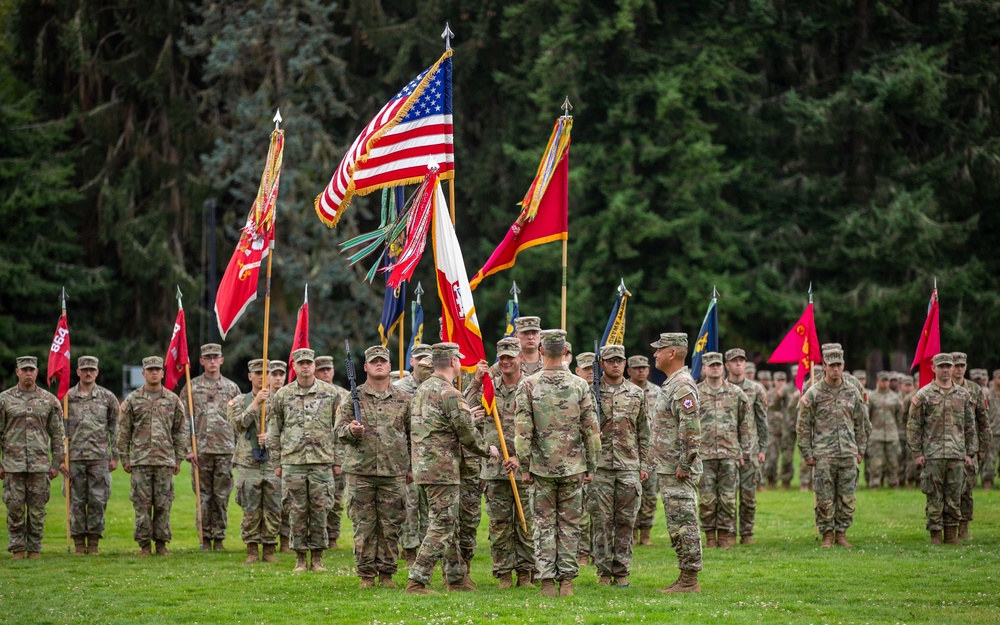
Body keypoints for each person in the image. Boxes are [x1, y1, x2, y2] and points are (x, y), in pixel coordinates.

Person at [406, 343, 498, 595]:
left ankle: (456, 578)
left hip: (426, 468)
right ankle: (417, 580)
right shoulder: (450, 394)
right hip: (442, 469)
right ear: (454, 361)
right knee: (442, 525)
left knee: (446, 523)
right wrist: (487, 449)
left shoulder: (423, 389)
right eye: (459, 359)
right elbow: (465, 431)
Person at [515, 330, 600, 598]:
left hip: (541, 468)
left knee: (544, 526)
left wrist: (525, 465)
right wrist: (592, 465)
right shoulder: (579, 385)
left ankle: (548, 583)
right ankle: (567, 583)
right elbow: (591, 430)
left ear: (541, 351)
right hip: (574, 467)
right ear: (565, 352)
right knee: (570, 526)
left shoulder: (528, 384)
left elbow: (522, 430)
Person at [335, 346, 411, 589]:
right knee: (364, 526)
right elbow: (338, 431)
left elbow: (413, 435)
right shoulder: (352, 397)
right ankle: (366, 575)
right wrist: (351, 430)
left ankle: (387, 574)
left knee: (391, 525)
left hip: (393, 471)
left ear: (390, 367)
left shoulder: (403, 399)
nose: (379, 364)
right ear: (365, 367)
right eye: (373, 361)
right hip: (361, 471)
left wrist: (411, 468)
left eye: (383, 361)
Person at [463, 337, 536, 588]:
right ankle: (504, 573)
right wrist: (475, 379)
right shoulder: (487, 387)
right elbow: (464, 407)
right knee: (500, 524)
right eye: (501, 357)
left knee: (526, 521)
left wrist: (523, 459)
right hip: (495, 467)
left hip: (524, 466)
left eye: (510, 357)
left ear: (521, 358)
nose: (505, 361)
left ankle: (525, 573)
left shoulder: (531, 386)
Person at [266, 348, 341, 572]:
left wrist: (338, 460)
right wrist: (276, 462)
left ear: (314, 366)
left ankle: (317, 558)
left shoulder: (331, 393)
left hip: (321, 461)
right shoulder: (283, 395)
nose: (306, 366)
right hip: (293, 462)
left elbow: (338, 430)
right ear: (295, 367)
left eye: (309, 362)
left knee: (320, 510)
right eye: (301, 363)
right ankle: (299, 558)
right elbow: (273, 430)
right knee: (296, 511)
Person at [589, 344, 650, 586]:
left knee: (626, 521)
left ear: (625, 364)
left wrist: (644, 464)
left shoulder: (636, 393)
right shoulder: (591, 392)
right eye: (610, 360)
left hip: (628, 466)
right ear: (601, 363)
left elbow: (644, 432)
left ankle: (622, 570)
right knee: (601, 521)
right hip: (600, 467)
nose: (616, 364)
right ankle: (604, 572)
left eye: (619, 360)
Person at [797, 347, 867, 548]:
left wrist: (860, 449)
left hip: (847, 452)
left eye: (839, 365)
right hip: (823, 455)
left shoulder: (852, 392)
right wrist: (807, 453)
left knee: (847, 497)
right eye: (831, 365)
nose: (836, 369)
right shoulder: (814, 393)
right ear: (824, 367)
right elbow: (802, 425)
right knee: (824, 497)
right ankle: (827, 533)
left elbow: (860, 424)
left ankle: (842, 533)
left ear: (843, 366)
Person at [116, 356, 186, 556]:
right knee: (142, 504)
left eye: (157, 369)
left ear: (162, 373)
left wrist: (178, 458)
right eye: (150, 369)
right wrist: (125, 458)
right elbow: (124, 432)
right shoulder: (132, 400)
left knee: (163, 504)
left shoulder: (173, 400)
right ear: (143, 373)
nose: (154, 372)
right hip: (140, 461)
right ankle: (145, 545)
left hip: (164, 461)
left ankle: (162, 544)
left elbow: (179, 431)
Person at [648, 332, 702, 593]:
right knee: (677, 524)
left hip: (677, 469)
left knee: (684, 524)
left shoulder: (682, 386)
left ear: (672, 353)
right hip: (669, 467)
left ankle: (690, 580)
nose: (655, 354)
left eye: (659, 349)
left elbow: (691, 429)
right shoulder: (672, 384)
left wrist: (685, 464)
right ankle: (685, 577)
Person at [907, 353, 976, 545]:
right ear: (934, 368)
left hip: (956, 454)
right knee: (934, 496)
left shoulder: (963, 395)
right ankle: (936, 534)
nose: (946, 370)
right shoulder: (924, 394)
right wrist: (917, 453)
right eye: (942, 366)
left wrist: (970, 453)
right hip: (933, 455)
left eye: (949, 366)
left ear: (953, 368)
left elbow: (970, 427)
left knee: (955, 495)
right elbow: (913, 426)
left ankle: (952, 534)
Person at [1, 356, 66, 559]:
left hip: (40, 466)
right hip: (13, 465)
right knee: (14, 508)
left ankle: (35, 548)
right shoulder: (4, 399)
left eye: (32, 369)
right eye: (24, 369)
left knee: (37, 510)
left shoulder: (49, 400)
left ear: (37, 372)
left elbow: (57, 434)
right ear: (17, 372)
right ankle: (18, 549)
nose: (28, 373)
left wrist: (56, 463)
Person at [179, 343, 241, 551]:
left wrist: (238, 450)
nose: (212, 361)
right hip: (201, 450)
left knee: (221, 497)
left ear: (222, 360)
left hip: (225, 450)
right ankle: (205, 538)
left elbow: (238, 422)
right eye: (208, 357)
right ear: (202, 361)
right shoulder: (191, 387)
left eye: (216, 357)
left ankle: (219, 538)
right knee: (203, 497)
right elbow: (184, 421)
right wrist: (188, 448)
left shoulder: (232, 388)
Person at [228, 359, 284, 564]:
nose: (262, 376)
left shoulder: (280, 401)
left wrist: (269, 436)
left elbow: (287, 428)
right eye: (257, 372)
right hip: (247, 462)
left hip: (271, 463)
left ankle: (269, 548)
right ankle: (251, 549)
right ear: (250, 376)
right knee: (250, 507)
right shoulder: (239, 401)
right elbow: (238, 424)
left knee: (272, 507)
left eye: (266, 372)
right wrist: (256, 403)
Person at [65, 355, 119, 555]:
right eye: (84, 369)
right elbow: (59, 430)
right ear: (78, 372)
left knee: (98, 500)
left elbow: (115, 428)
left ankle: (94, 543)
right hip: (75, 458)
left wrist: (116, 456)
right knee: (76, 501)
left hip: (99, 458)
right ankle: (79, 543)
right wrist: (61, 457)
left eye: (92, 370)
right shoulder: (67, 397)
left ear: (97, 372)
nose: (88, 373)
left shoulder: (107, 397)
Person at [697, 352, 751, 550]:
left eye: (718, 365)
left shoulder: (736, 394)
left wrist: (744, 452)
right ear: (703, 368)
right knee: (707, 498)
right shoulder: (695, 393)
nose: (715, 368)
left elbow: (744, 425)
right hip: (704, 455)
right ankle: (710, 536)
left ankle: (725, 536)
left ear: (723, 367)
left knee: (728, 498)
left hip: (729, 453)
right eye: (711, 365)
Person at [395, 344, 434, 566]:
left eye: (428, 359)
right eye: (420, 359)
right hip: (407, 457)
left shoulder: (437, 386)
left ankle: (427, 552)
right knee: (409, 507)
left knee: (429, 507)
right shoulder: (399, 388)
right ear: (412, 361)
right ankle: (409, 551)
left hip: (431, 457)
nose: (424, 363)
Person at [725, 348, 767, 545]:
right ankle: (729, 533)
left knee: (749, 496)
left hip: (750, 450)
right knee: (727, 496)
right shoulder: (721, 388)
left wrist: (763, 449)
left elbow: (762, 420)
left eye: (742, 360)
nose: (739, 364)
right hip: (727, 450)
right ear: (727, 365)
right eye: (734, 361)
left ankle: (747, 533)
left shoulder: (756, 389)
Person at [950, 352, 991, 540]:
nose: (959, 368)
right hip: (946, 446)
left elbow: (983, 420)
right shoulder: (941, 388)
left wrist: (982, 446)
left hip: (969, 448)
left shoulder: (974, 389)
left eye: (962, 365)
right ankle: (947, 527)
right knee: (947, 490)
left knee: (966, 490)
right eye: (955, 365)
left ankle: (963, 527)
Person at [315, 355, 349, 550]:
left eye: (328, 369)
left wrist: (339, 460)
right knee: (316, 501)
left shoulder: (343, 395)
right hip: (316, 455)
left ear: (334, 372)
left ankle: (333, 537)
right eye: (322, 369)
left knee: (335, 500)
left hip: (336, 456)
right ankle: (316, 537)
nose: (326, 373)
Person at [628, 354, 661, 546]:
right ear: (629, 370)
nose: (641, 371)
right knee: (630, 494)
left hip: (652, 452)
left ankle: (646, 532)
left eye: (644, 367)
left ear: (648, 370)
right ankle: (631, 532)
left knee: (650, 494)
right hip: (629, 450)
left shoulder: (658, 392)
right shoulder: (625, 391)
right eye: (637, 368)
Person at [867, 372, 903, 489]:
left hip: (892, 434)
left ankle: (893, 483)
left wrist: (894, 427)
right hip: (876, 434)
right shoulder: (872, 397)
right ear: (878, 381)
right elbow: (868, 415)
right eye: (883, 380)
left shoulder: (895, 397)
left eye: (887, 380)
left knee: (893, 462)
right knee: (876, 463)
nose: (885, 383)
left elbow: (899, 415)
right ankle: (875, 484)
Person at [763, 371, 788, 488]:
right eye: (778, 380)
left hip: (786, 429)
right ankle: (770, 479)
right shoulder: (770, 393)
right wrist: (779, 396)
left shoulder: (789, 394)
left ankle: (785, 480)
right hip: (773, 429)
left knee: (787, 457)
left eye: (783, 380)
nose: (781, 383)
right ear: (774, 381)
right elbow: (771, 405)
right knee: (772, 456)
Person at [984, 369, 1000, 490]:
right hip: (993, 432)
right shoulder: (988, 394)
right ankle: (987, 483)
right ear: (994, 379)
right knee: (990, 459)